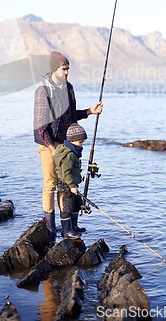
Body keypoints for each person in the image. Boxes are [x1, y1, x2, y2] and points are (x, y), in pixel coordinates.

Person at [34, 50, 102, 244]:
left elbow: (71, 116)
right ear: (55, 69)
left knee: (66, 185)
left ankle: (68, 227)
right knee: (51, 184)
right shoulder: (43, 90)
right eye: (64, 69)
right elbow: (40, 126)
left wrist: (90, 111)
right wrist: (53, 149)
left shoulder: (69, 87)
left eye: (68, 69)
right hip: (48, 144)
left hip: (66, 144)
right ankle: (50, 229)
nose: (66, 72)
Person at [52, 123, 87, 238]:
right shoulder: (69, 155)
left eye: (82, 142)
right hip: (67, 186)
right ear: (72, 141)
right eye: (80, 142)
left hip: (72, 185)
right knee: (67, 208)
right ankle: (67, 231)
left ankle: (74, 226)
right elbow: (66, 172)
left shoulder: (73, 152)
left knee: (77, 204)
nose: (82, 145)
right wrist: (72, 186)